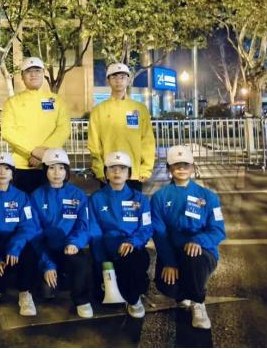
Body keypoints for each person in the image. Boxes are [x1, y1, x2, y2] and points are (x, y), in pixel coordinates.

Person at [151, 145, 226, 330]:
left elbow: (218, 230)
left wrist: (198, 240)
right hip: (173, 252)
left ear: (193, 167)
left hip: (201, 253)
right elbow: (159, 234)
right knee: (168, 286)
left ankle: (198, 302)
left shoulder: (208, 197)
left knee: (193, 255)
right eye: (176, 164)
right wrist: (169, 262)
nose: (181, 168)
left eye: (186, 164)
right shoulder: (159, 197)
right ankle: (183, 293)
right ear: (169, 168)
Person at [89, 151, 153, 318]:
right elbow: (94, 233)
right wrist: (103, 262)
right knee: (101, 297)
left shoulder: (140, 199)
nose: (117, 172)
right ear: (105, 172)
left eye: (122, 168)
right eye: (112, 168)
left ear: (129, 173)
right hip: (107, 250)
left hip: (132, 250)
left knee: (133, 264)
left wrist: (132, 241)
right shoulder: (96, 199)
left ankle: (133, 299)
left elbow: (146, 228)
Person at [30, 148, 93, 318]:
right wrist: (47, 263)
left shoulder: (78, 195)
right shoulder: (36, 196)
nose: (57, 173)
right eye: (51, 168)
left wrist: (74, 243)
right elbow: (34, 233)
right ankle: (54, 275)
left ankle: (81, 300)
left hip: (68, 248)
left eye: (61, 168)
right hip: (46, 250)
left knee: (80, 261)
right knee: (47, 292)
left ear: (67, 171)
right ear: (45, 170)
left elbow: (84, 226)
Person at [0, 152, 39, 316]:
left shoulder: (22, 197)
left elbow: (28, 226)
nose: (2, 172)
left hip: (14, 246)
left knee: (29, 251)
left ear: (12, 173)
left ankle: (25, 293)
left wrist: (14, 247)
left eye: (7, 168)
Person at [1, 57, 71, 195]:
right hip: (22, 165)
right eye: (28, 71)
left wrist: (43, 154)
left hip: (52, 165)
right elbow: (7, 130)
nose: (33, 74)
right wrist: (33, 151)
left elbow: (64, 129)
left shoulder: (57, 101)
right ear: (22, 76)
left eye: (37, 70)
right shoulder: (12, 102)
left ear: (43, 74)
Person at [87, 62, 156, 192]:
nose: (118, 80)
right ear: (108, 80)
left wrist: (146, 168)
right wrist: (99, 168)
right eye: (114, 77)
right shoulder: (98, 110)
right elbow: (94, 143)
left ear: (129, 80)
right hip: (108, 171)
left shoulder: (140, 108)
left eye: (123, 77)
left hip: (134, 172)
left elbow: (147, 140)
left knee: (133, 205)